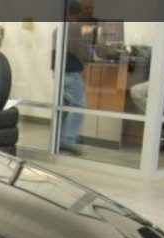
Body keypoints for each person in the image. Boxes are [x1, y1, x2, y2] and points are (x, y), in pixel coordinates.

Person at [56, 0, 99, 154]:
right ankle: (67, 140)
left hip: (60, 73)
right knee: (79, 107)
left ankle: (59, 138)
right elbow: (80, 51)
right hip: (71, 73)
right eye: (85, 11)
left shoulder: (59, 29)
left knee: (63, 107)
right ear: (77, 13)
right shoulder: (74, 28)